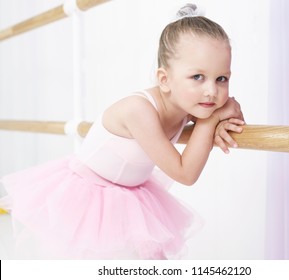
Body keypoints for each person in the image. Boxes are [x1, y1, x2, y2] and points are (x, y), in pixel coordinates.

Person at [0, 3, 244, 259]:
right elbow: (185, 172)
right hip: (88, 196)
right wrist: (211, 121)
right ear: (164, 79)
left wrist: (219, 122)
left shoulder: (188, 104)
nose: (211, 91)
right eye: (197, 77)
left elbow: (221, 121)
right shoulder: (138, 110)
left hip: (131, 194)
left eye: (221, 79)